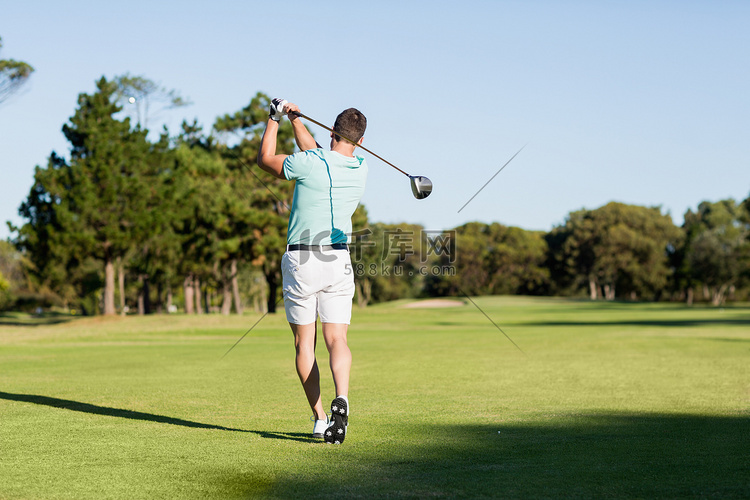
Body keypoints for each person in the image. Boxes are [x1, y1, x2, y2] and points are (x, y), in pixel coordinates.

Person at [256, 98, 368, 444]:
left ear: (332, 130)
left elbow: (265, 160)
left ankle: (320, 418)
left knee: (305, 344)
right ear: (360, 141)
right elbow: (323, 153)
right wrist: (296, 122)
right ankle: (343, 398)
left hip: (302, 260)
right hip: (337, 259)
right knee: (338, 339)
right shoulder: (360, 165)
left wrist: (275, 118)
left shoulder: (308, 164)